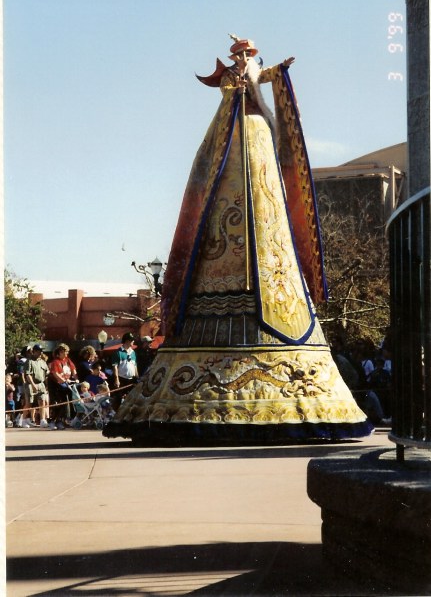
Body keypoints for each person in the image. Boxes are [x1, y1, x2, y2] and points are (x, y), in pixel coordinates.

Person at [106, 36, 371, 441]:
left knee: (264, 203)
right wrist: (259, 85)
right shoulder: (234, 118)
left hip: (259, 184)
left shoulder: (252, 117)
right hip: (239, 164)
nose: (243, 60)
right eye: (240, 56)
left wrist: (269, 78)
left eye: (248, 55)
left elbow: (267, 98)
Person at [48, 343, 79, 430]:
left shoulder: (68, 360)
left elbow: (74, 370)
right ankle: (52, 421)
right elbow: (55, 374)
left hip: (65, 385)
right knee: (58, 403)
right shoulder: (56, 362)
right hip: (55, 384)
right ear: (61, 352)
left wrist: (76, 379)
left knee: (66, 403)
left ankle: (60, 421)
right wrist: (63, 380)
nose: (67, 354)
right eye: (66, 352)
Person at [24, 344, 50, 428]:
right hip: (31, 384)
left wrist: (46, 385)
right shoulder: (29, 361)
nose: (41, 352)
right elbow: (28, 375)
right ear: (34, 351)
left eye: (41, 351)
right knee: (29, 403)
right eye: (39, 351)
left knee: (42, 401)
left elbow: (46, 374)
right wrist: (33, 384)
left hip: (41, 384)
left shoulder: (43, 362)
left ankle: (43, 420)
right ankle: (24, 420)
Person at [111, 333, 138, 411]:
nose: (133, 342)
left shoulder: (133, 352)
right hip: (121, 379)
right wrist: (116, 379)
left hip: (131, 379)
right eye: (132, 340)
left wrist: (137, 377)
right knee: (118, 398)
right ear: (127, 341)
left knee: (132, 398)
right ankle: (115, 415)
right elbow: (115, 367)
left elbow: (135, 366)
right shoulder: (118, 352)